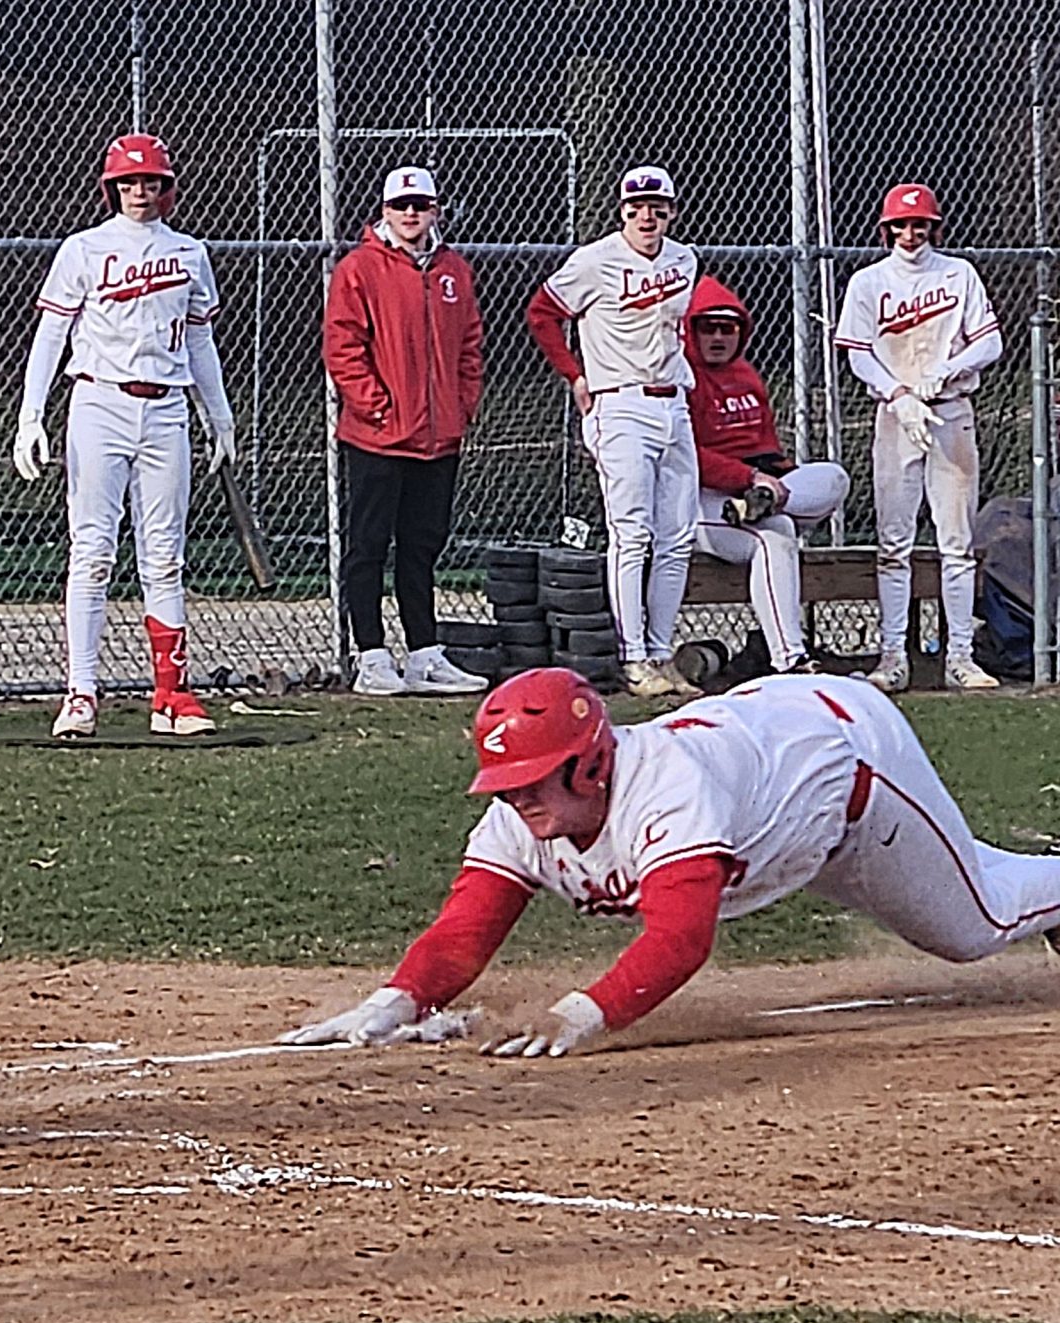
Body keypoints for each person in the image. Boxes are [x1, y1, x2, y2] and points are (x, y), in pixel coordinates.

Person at [276, 667, 1060, 1058]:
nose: (518, 802)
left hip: (852, 763)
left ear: (589, 767)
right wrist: (396, 1001)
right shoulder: (523, 818)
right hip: (767, 787)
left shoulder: (668, 791)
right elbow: (463, 930)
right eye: (506, 786)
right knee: (964, 878)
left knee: (976, 923)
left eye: (530, 782)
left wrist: (582, 1014)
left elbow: (682, 937)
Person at [12, 132, 234, 739]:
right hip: (98, 402)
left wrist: (220, 415)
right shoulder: (84, 249)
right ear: (112, 188)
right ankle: (81, 694)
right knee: (92, 553)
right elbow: (51, 337)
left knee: (164, 557)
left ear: (168, 189)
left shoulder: (190, 252)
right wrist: (32, 414)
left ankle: (172, 695)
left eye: (153, 181)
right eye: (131, 182)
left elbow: (199, 340)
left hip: (165, 408)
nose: (142, 191)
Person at [528, 166, 700, 699]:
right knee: (632, 533)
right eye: (637, 207)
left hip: (673, 402)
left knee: (677, 537)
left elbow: (676, 326)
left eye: (658, 206)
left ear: (671, 210)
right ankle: (633, 659)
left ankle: (660, 650)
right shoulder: (595, 260)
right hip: (619, 402)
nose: (647, 215)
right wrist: (575, 375)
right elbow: (541, 313)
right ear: (622, 211)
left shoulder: (683, 259)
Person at [320, 165, 487, 697]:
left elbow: (470, 347)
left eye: (421, 205)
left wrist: (462, 406)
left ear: (436, 209)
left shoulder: (454, 270)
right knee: (367, 546)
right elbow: (343, 347)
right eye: (402, 206)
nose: (412, 214)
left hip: (438, 437)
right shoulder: (359, 269)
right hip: (378, 437)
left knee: (422, 546)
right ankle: (371, 655)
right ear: (385, 211)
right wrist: (375, 407)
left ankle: (424, 653)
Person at [837, 182, 1006, 692]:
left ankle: (960, 656)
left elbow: (991, 342)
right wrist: (897, 393)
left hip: (951, 410)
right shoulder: (869, 281)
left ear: (934, 227)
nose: (910, 234)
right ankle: (893, 657)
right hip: (896, 417)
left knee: (956, 543)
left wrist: (946, 371)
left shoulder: (958, 274)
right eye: (900, 225)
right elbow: (858, 351)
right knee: (894, 543)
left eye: (919, 225)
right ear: (886, 230)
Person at [683, 277, 849, 675]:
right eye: (708, 327)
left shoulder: (747, 376)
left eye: (729, 327)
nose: (719, 336)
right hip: (698, 503)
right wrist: (749, 476)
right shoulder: (683, 378)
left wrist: (776, 481)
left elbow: (767, 447)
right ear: (691, 330)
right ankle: (789, 659)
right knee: (775, 534)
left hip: (750, 493)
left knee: (833, 477)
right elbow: (687, 456)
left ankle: (761, 503)